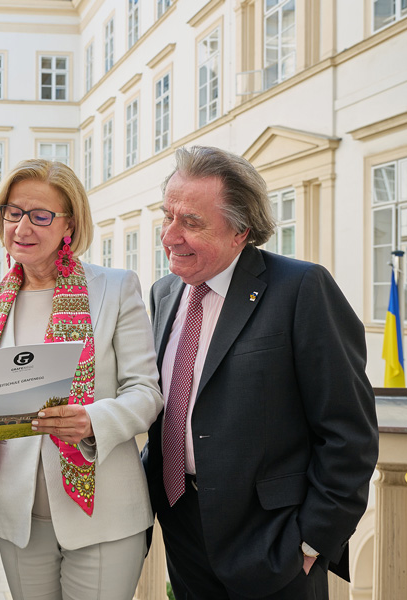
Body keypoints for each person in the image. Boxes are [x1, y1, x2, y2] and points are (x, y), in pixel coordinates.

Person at [143, 146, 378, 600]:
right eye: (166, 215)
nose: (169, 235)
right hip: (183, 530)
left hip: (273, 543)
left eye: (190, 222)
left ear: (240, 231)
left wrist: (312, 541)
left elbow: (349, 431)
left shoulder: (301, 288)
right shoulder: (165, 293)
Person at [0, 158, 163, 599]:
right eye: (13, 213)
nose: (22, 228)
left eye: (40, 216)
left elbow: (146, 391)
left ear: (69, 224)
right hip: (19, 519)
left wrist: (93, 420)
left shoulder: (115, 287)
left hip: (105, 516)